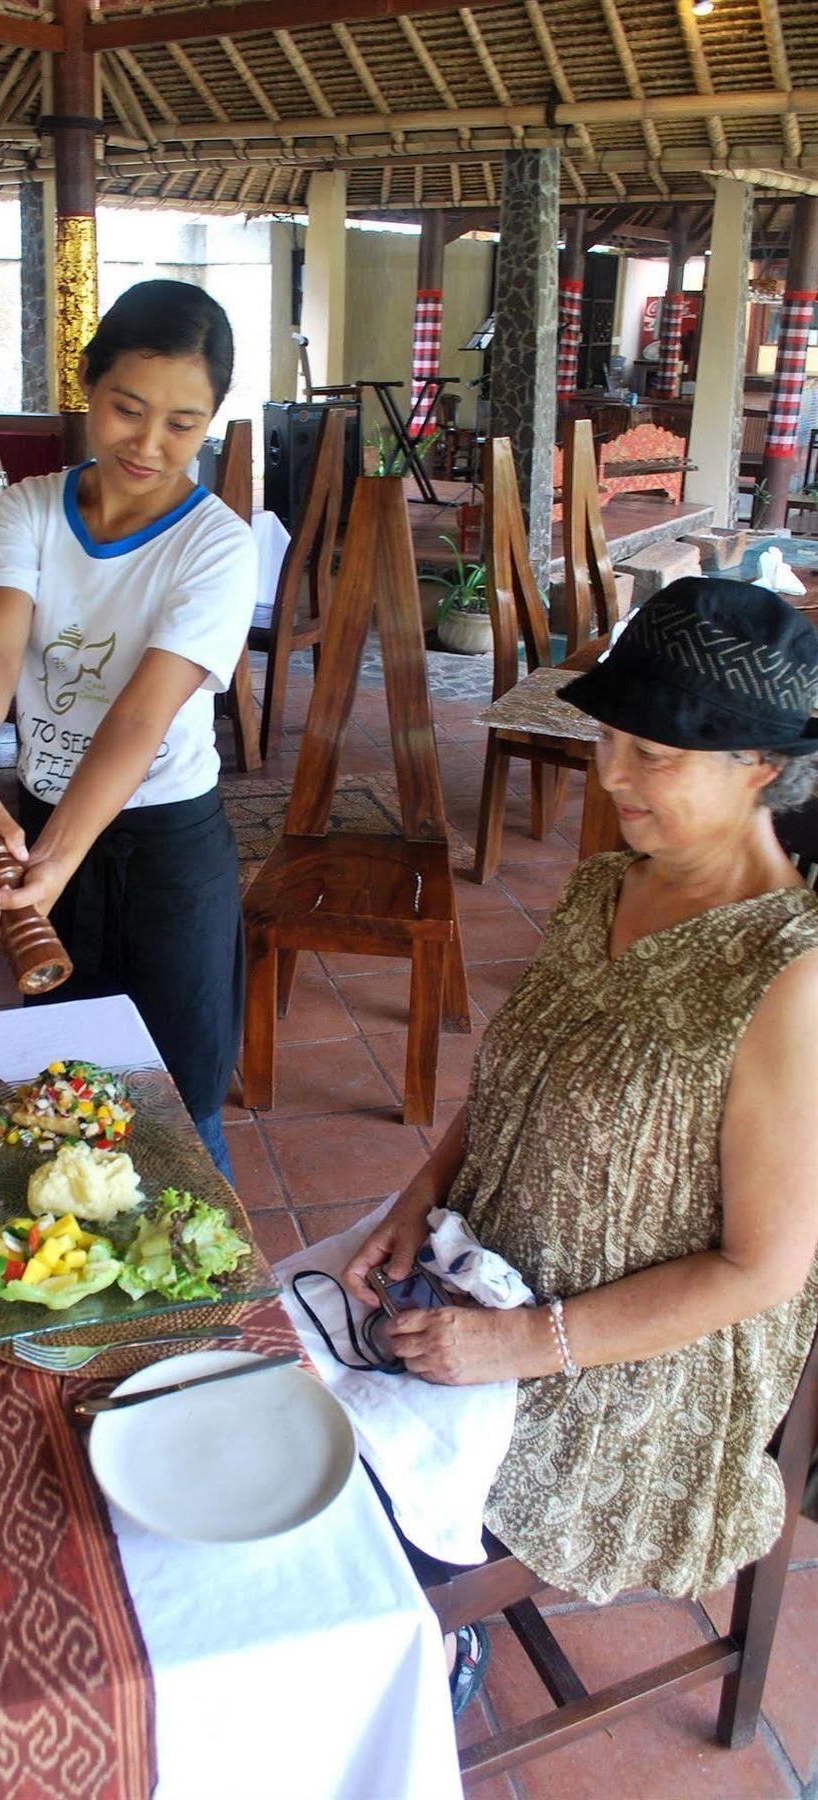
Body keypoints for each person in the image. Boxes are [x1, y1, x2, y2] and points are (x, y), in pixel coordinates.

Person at [346, 578, 818, 1638]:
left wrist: (518, 1347)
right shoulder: (604, 885)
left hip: (620, 1372)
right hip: (481, 1266)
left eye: (652, 755)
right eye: (608, 737)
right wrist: (415, 1197)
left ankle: (417, 1659)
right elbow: (522, 1078)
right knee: (265, 1384)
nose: (609, 774)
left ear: (760, 766)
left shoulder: (790, 978)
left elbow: (761, 1273)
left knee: (332, 1535)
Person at [0, 281, 257, 1178]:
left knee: (179, 1113)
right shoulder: (33, 507)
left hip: (164, 856)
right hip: (45, 832)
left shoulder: (218, 547)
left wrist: (53, 861)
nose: (148, 445)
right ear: (89, 384)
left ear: (212, 420)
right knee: (62, 1092)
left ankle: (200, 1318)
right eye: (127, 408)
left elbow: (142, 717)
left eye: (183, 424)